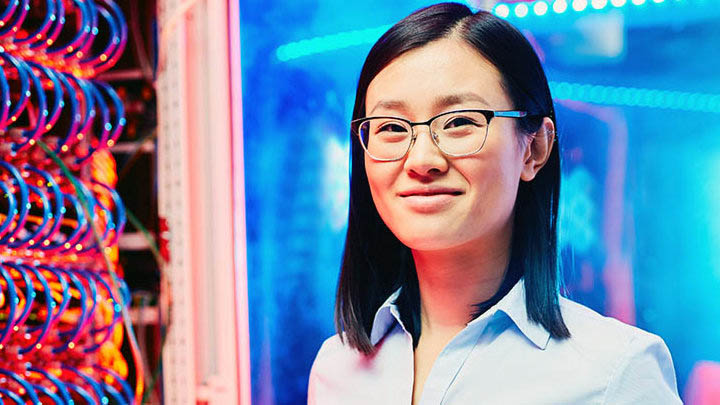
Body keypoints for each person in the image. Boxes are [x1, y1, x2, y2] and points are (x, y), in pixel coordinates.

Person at [307, 3, 682, 404]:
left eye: (458, 122)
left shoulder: (615, 372)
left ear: (534, 148)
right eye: (391, 128)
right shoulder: (337, 369)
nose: (421, 161)